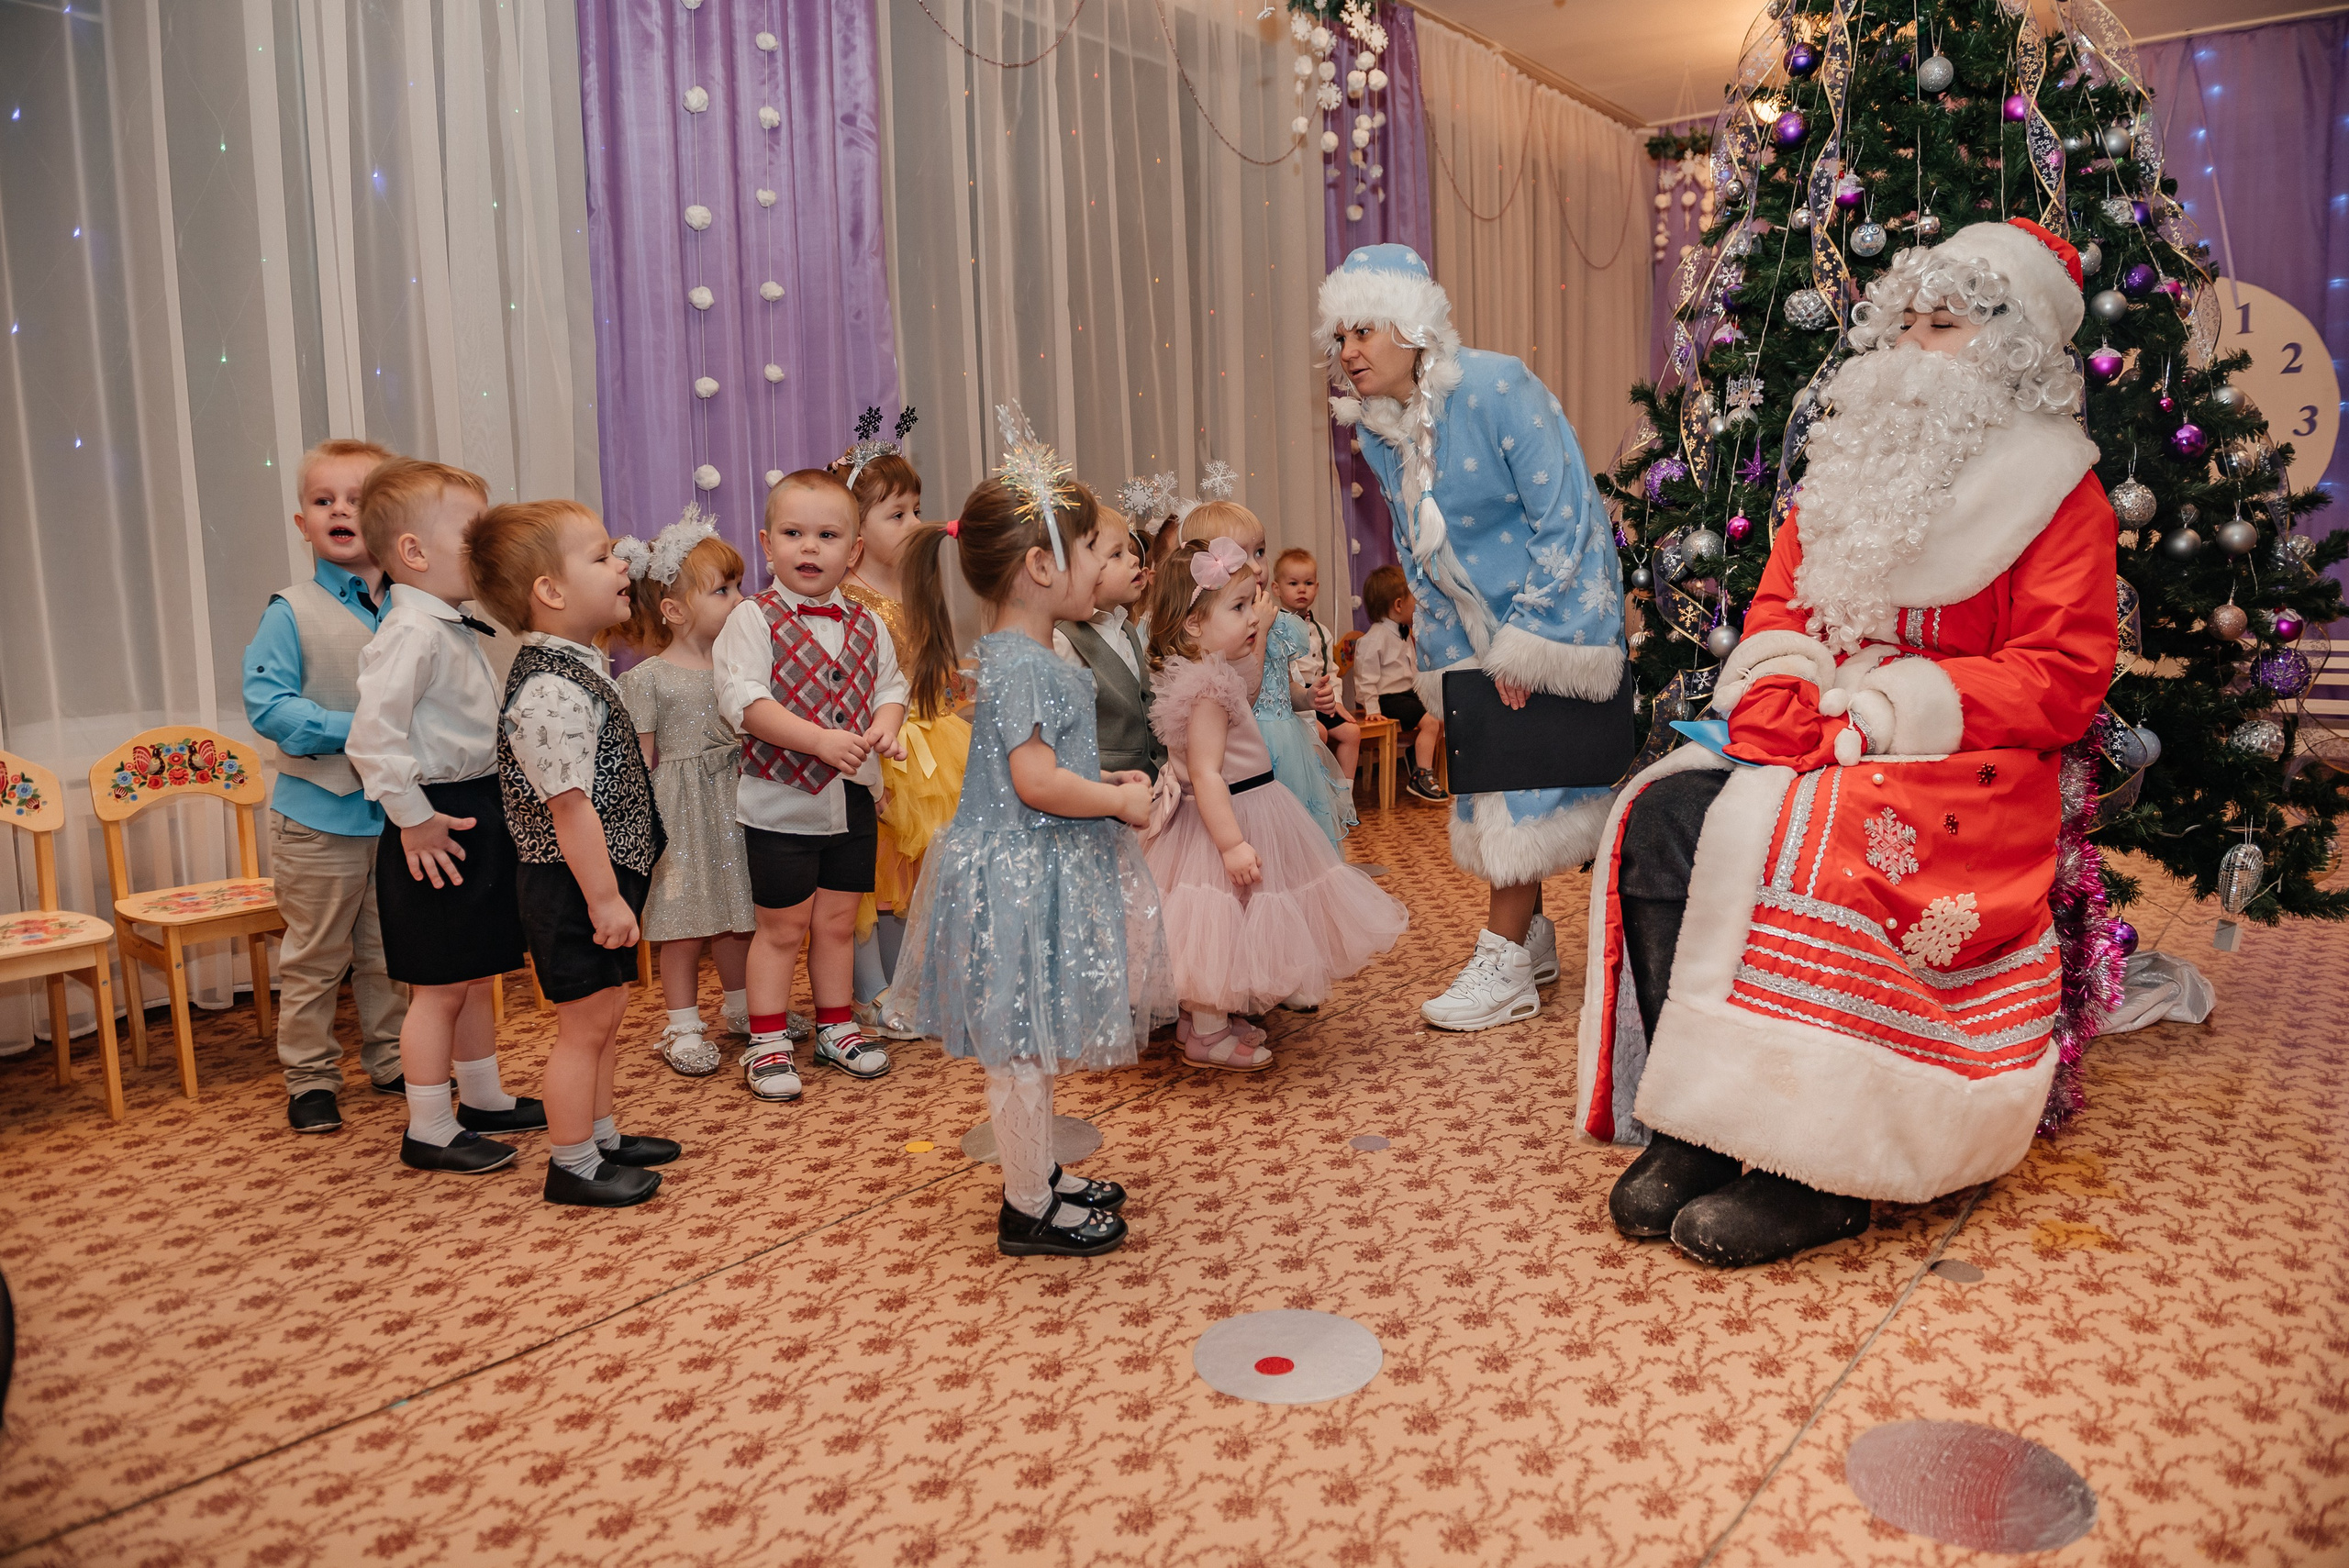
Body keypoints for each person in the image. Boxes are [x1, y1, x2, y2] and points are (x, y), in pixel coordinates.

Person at [1577, 218, 2118, 1268]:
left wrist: (1890, 710)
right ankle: (1696, 1119)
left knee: (1826, 834)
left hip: (1963, 758)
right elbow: (1781, 604)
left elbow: (2061, 676)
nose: (1911, 346)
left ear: (2008, 346)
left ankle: (1816, 1167)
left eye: (1942, 325)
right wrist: (1778, 682)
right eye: (1903, 321)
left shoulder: (2060, 490)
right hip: (1824, 727)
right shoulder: (1848, 465)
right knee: (1660, 813)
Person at [885, 428, 1174, 1258]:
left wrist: (1104, 780)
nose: (1100, 567)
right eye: (1090, 550)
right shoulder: (1021, 662)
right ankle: (1026, 1207)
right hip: (1020, 872)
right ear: (1042, 567)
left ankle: (1038, 1174)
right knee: (1018, 1046)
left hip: (1038, 865)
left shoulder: (1032, 656)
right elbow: (1036, 781)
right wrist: (1118, 801)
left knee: (1032, 1039)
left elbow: (1046, 768)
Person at [1319, 244, 1624, 1033]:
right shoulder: (1381, 432)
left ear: (1411, 325)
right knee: (1499, 778)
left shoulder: (1496, 386)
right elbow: (1417, 554)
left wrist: (1527, 643)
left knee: (1517, 790)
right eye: (1340, 336)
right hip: (1475, 634)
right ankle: (1533, 937)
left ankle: (1504, 960)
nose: (1347, 351)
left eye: (1362, 332)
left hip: (1552, 615)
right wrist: (1457, 665)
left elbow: (1568, 516)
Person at [473, 500, 680, 1207]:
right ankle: (571, 1164)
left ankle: (600, 1136)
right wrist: (603, 898)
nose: (623, 561)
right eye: (600, 555)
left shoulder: (578, 668)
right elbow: (568, 807)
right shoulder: (549, 690)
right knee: (582, 1027)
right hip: (572, 885)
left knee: (607, 1014)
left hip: (596, 876)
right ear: (550, 591)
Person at [1142, 539, 1408, 1070]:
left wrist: (1258, 633)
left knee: (1227, 919)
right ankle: (1207, 1035)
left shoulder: (1211, 674)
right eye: (1238, 608)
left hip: (1245, 804)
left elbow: (1250, 684)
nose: (1252, 617)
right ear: (1194, 624)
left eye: (1252, 604)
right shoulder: (1208, 691)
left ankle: (1204, 1017)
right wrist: (1232, 845)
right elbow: (1206, 773)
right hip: (1227, 816)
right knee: (1215, 923)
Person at [347, 459, 544, 1173]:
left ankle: (482, 1096)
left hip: (473, 807)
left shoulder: (448, 623)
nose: (488, 548)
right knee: (438, 984)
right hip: (435, 819)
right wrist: (414, 818)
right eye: (473, 534)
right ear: (413, 552)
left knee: (474, 969)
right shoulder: (412, 632)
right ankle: (428, 1125)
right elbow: (372, 737)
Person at [714, 469, 909, 1104]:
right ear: (767, 544)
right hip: (781, 802)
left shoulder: (869, 624)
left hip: (851, 801)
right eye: (793, 533)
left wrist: (885, 725)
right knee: (781, 927)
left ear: (853, 550)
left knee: (836, 923)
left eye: (827, 535)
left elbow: (891, 686)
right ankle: (768, 1038)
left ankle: (835, 1025)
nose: (809, 547)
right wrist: (819, 740)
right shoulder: (752, 618)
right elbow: (745, 703)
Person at [243, 437, 410, 1133]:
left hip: (398, 817)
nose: (341, 510)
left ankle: (392, 1056)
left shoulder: (413, 610)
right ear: (302, 523)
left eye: (358, 499)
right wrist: (362, 727)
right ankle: (310, 1076)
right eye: (324, 500)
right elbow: (270, 707)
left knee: (388, 951)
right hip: (318, 820)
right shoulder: (291, 610)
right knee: (316, 957)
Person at [834, 417, 971, 1030]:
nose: (916, 524)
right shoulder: (848, 601)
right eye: (897, 514)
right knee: (873, 873)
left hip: (933, 742)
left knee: (914, 873)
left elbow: (928, 672)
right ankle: (871, 987)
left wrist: (961, 687)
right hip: (881, 747)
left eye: (917, 510)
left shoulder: (917, 590)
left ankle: (907, 981)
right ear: (855, 530)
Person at [615, 508, 756, 1076]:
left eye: (738, 586)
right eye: (723, 590)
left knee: (738, 912)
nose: (740, 599)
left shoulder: (740, 669)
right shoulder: (647, 678)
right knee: (683, 921)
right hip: (679, 811)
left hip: (737, 801)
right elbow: (640, 763)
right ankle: (681, 1023)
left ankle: (742, 1008)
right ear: (674, 611)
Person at [1053, 507, 1165, 780]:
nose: (1135, 559)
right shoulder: (1064, 642)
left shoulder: (1127, 628)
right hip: (1103, 789)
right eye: (1117, 554)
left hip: (1153, 786)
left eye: (1129, 550)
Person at [1351, 565, 1444, 803]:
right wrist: (1372, 709)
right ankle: (1422, 777)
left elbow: (1411, 670)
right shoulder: (1374, 638)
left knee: (1440, 716)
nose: (1418, 606)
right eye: (1415, 600)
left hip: (1406, 693)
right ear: (1399, 605)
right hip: (1388, 699)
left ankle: (1415, 755)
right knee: (1430, 722)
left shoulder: (1403, 633)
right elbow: (1365, 678)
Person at [1272, 546, 1362, 786]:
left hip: (1321, 696)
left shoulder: (1322, 631)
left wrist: (1337, 702)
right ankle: (1316, 791)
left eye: (1308, 583)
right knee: (1318, 732)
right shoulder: (1275, 628)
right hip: (1293, 699)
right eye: (1293, 583)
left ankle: (1345, 795)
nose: (1302, 589)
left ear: (1317, 587)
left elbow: (1330, 671)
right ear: (1276, 588)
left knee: (1352, 733)